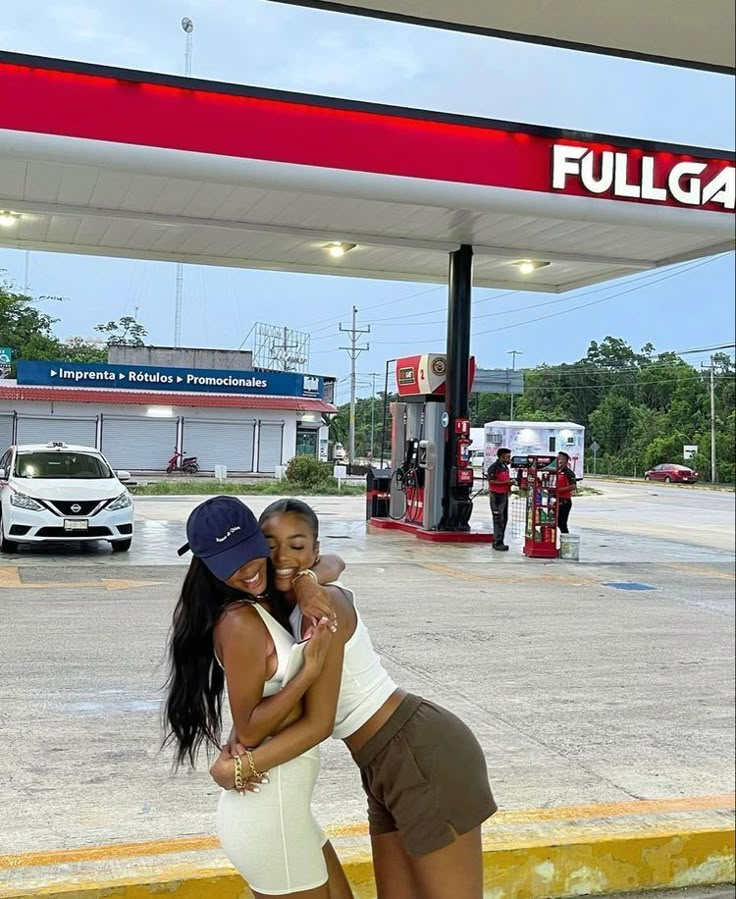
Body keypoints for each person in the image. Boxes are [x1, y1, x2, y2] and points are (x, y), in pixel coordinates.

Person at [210, 498, 497, 899]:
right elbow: (335, 563)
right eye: (270, 543)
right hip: (381, 764)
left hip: (420, 751)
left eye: (296, 546)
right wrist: (306, 577)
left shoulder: (326, 607)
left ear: (313, 549)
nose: (281, 556)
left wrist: (238, 769)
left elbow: (318, 722)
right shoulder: (284, 605)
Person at [163, 496, 353, 899]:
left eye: (249, 555)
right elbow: (249, 729)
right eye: (228, 565)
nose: (246, 571)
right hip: (268, 810)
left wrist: (306, 581)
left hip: (288, 809)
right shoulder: (239, 621)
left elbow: (332, 560)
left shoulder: (267, 596)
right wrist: (310, 673)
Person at [486, 447, 513, 551]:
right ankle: (497, 542)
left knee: (504, 519)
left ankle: (500, 540)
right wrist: (506, 483)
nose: (509, 459)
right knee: (498, 519)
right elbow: (491, 481)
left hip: (504, 495)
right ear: (502, 457)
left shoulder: (505, 467)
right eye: (508, 457)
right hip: (496, 496)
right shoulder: (494, 467)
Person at [555, 451, 578, 534]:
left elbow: (573, 486)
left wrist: (560, 490)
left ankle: (566, 541)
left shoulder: (568, 472)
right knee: (555, 523)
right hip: (556, 501)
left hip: (564, 502)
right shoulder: (556, 471)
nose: (557, 460)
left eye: (559, 458)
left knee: (562, 524)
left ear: (565, 460)